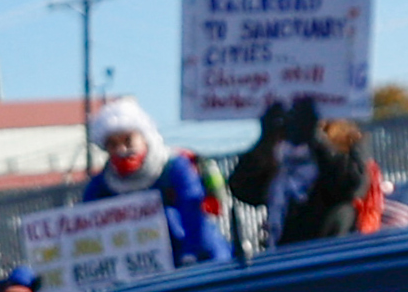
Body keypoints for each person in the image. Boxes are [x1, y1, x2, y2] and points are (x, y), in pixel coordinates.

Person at [79, 95, 225, 267]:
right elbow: (86, 224)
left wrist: (192, 252)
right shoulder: (102, 184)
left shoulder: (173, 167)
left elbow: (193, 212)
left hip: (194, 261)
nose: (121, 150)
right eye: (112, 144)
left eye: (128, 140)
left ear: (144, 137)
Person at [230, 99, 372, 249]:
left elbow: (352, 185)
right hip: (285, 258)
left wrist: (316, 140)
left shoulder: (348, 140)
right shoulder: (279, 148)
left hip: (332, 257)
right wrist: (265, 140)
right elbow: (243, 189)